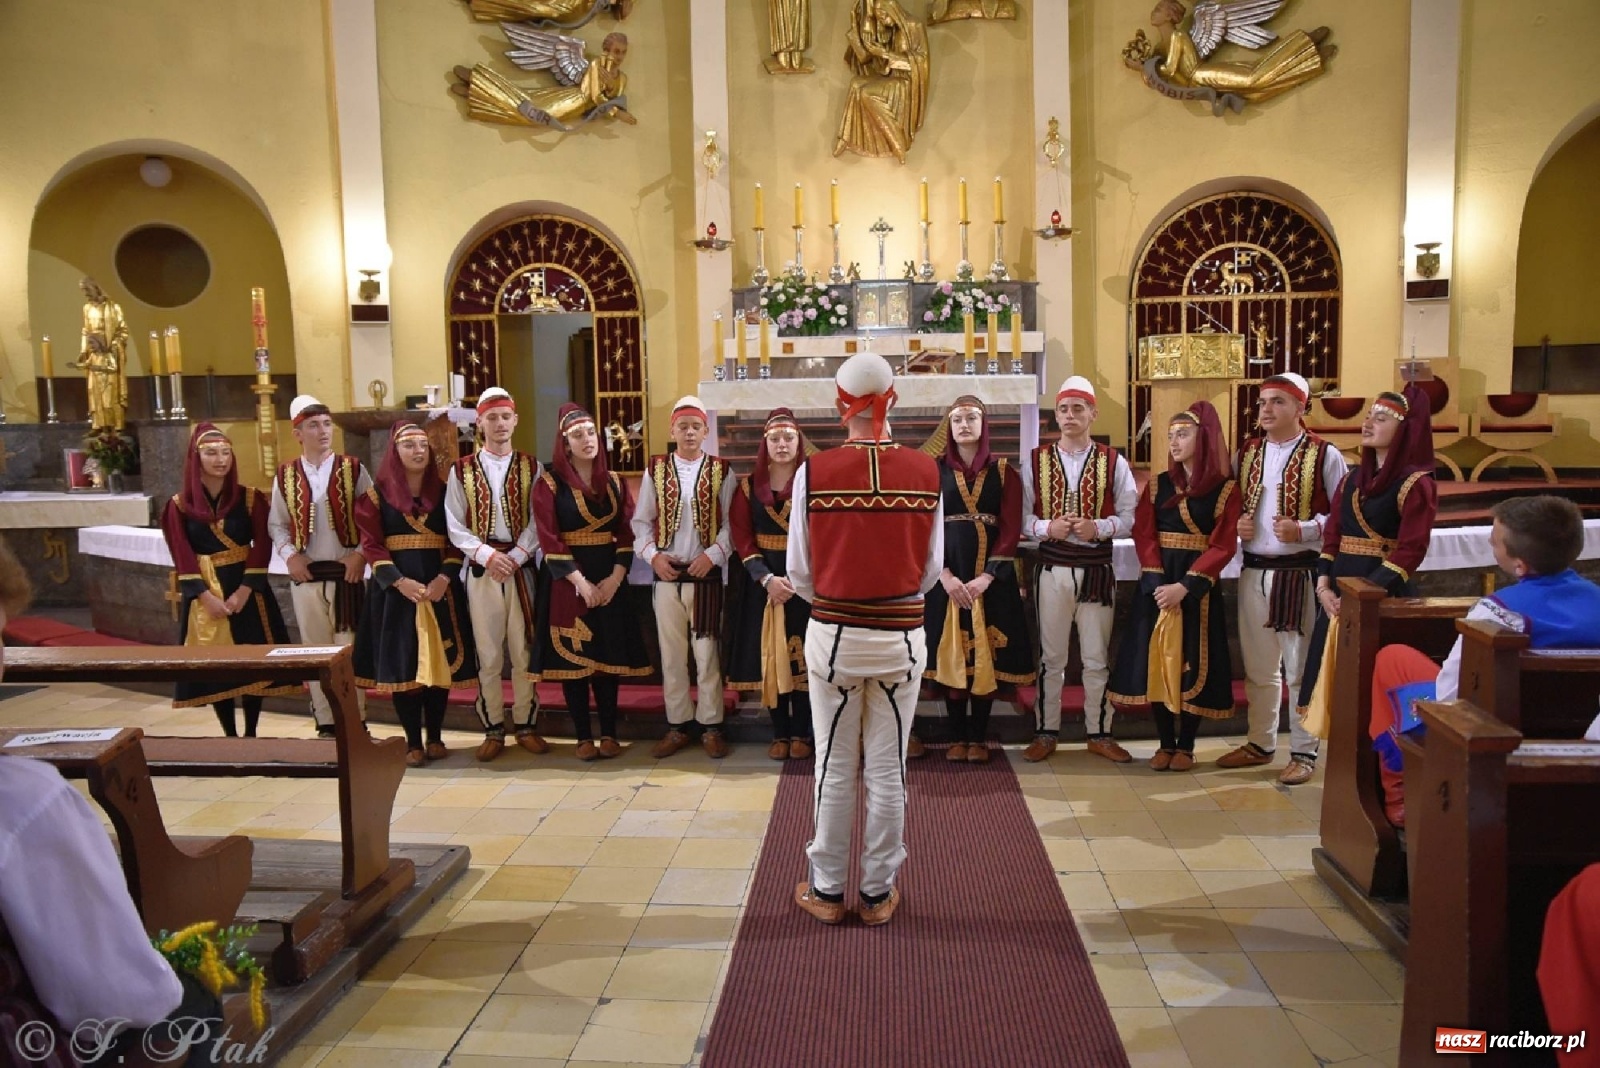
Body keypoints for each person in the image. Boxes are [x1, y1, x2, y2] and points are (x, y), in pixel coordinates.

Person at [789, 352, 942, 927]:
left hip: (834, 635)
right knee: (888, 768)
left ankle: (827, 889)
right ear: (893, 401)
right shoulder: (926, 472)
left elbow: (800, 571)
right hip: (901, 637)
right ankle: (878, 893)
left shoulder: (815, 472)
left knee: (832, 763)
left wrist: (840, 596)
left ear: (838, 406)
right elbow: (931, 569)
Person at [1367, 495, 1600, 826]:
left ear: (1519, 564)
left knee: (1393, 659)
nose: (1492, 544)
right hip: (1580, 727)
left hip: (1491, 731)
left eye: (1495, 542)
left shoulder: (1498, 612)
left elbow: (1450, 693)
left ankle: (1401, 795)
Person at [1297, 386, 1437, 773]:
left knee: (1375, 684)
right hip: (1338, 598)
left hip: (1382, 598)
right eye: (1368, 416)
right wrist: (1324, 586)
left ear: (1404, 430)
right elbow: (1332, 537)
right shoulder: (1353, 478)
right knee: (1337, 680)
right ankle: (1339, 767)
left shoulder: (1415, 484)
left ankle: (1386, 767)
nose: (1367, 423)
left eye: (1380, 418)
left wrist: (1363, 594)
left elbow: (1410, 550)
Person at [1219, 372, 1348, 785]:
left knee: (1298, 667)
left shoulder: (1325, 454)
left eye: (1277, 402)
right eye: (1262, 403)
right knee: (1258, 666)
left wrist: (1306, 529)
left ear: (1300, 407)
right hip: (1254, 569)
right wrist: (1238, 523)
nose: (1266, 410)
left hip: (1299, 574)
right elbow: (1235, 502)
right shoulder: (1248, 453)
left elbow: (1344, 518)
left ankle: (1304, 752)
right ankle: (1260, 741)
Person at [1107, 402, 1240, 770]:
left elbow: (1223, 544)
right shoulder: (1159, 484)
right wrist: (1157, 582)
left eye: (1183, 434)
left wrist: (1186, 587)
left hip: (1195, 588)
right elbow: (1144, 532)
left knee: (1194, 661)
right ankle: (1164, 742)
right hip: (1159, 584)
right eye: (1170, 435)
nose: (1174, 441)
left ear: (1205, 438)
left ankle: (1186, 745)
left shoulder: (1226, 489)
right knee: (1157, 660)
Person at [1021, 376, 1139, 764]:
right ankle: (1045, 730)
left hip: (1096, 571)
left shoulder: (1113, 460)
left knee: (1095, 656)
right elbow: (1021, 517)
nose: (1070, 416)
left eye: (1077, 408)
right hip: (1052, 568)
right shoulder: (1035, 460)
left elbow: (1130, 514)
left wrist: (1100, 527)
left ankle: (1099, 732)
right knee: (1050, 657)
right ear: (1055, 415)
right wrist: (1045, 528)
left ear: (1093, 413)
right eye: (1063, 409)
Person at [353, 423, 479, 768]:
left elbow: (457, 540)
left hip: (439, 591)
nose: (418, 450)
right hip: (396, 595)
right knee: (405, 668)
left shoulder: (444, 492)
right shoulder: (375, 496)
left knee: (439, 664)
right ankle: (412, 741)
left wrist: (444, 577)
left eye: (423, 444)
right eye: (409, 445)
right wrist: (398, 582)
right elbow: (372, 546)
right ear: (395, 451)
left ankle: (435, 736)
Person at [160, 424, 296, 736]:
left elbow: (262, 545)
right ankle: (229, 735)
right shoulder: (179, 505)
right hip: (207, 591)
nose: (220, 459)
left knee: (252, 660)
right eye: (211, 453)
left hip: (246, 589)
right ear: (196, 458)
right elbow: (181, 554)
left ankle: (250, 732)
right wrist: (204, 597)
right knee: (219, 665)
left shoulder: (250, 498)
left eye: (225, 452)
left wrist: (246, 590)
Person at [532, 404, 650, 760]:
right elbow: (549, 538)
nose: (587, 440)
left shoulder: (613, 481)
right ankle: (583, 736)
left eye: (590, 433)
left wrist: (615, 578)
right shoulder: (548, 484)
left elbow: (627, 532)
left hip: (609, 574)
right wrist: (580, 583)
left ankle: (610, 732)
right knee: (575, 662)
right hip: (567, 578)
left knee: (606, 656)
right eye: (577, 435)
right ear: (565, 444)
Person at [923, 395, 1032, 763]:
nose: (964, 425)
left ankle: (978, 737)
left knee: (984, 657)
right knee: (953, 655)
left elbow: (1011, 527)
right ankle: (956, 737)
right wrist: (945, 575)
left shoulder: (1004, 472)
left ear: (984, 425)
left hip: (990, 581)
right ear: (949, 428)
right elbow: (926, 527)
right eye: (957, 420)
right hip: (948, 581)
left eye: (971, 418)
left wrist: (988, 576)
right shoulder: (934, 471)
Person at [632, 396, 737, 759]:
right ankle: (678, 725)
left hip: (704, 576)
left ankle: (711, 725)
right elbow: (641, 522)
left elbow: (732, 526)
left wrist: (714, 555)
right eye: (683, 426)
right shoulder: (656, 469)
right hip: (666, 576)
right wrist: (653, 557)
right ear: (671, 430)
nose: (689, 432)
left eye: (696, 427)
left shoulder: (723, 471)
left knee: (706, 653)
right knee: (672, 654)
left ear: (706, 431)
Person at [445, 388, 547, 762]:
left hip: (520, 569)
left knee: (522, 650)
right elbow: (454, 523)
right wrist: (487, 555)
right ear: (480, 422)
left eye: (506, 416)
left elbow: (540, 519)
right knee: (488, 653)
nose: (500, 424)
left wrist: (519, 554)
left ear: (515, 420)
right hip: (483, 569)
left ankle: (526, 723)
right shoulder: (461, 470)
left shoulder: (531, 466)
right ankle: (492, 727)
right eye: (492, 418)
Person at [269, 395, 372, 738]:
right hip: (307, 576)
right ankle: (326, 722)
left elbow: (372, 518)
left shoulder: (354, 468)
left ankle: (356, 721)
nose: (323, 431)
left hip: (348, 576)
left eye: (327, 423)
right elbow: (277, 524)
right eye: (313, 425)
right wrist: (290, 556)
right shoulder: (285, 475)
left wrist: (359, 555)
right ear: (297, 433)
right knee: (315, 650)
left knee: (350, 651)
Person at [728, 408, 815, 761]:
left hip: (804, 582)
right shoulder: (748, 486)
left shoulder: (814, 483)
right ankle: (779, 731)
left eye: (789, 438)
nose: (782, 445)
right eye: (775, 439)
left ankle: (804, 733)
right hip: (764, 583)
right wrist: (765, 578)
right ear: (765, 443)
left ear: (799, 442)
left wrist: (802, 577)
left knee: (805, 656)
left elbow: (822, 533)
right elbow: (742, 537)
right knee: (773, 655)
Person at [833, 0, 930, 162]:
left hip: (904, 83)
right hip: (890, 77)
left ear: (893, 10)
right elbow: (865, 60)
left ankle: (896, 140)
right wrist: (855, 25)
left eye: (884, 15)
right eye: (879, 17)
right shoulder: (890, 31)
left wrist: (885, 53)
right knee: (856, 84)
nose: (883, 20)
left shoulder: (914, 26)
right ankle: (846, 138)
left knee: (866, 93)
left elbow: (922, 62)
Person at [76, 276, 129, 431]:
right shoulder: (86, 309)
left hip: (109, 355)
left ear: (95, 287)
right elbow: (85, 331)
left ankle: (115, 426)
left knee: (110, 391)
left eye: (87, 289)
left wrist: (113, 345)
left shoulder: (113, 308)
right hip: (94, 354)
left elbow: (122, 331)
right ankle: (98, 424)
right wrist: (83, 349)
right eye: (83, 291)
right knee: (94, 390)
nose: (85, 293)